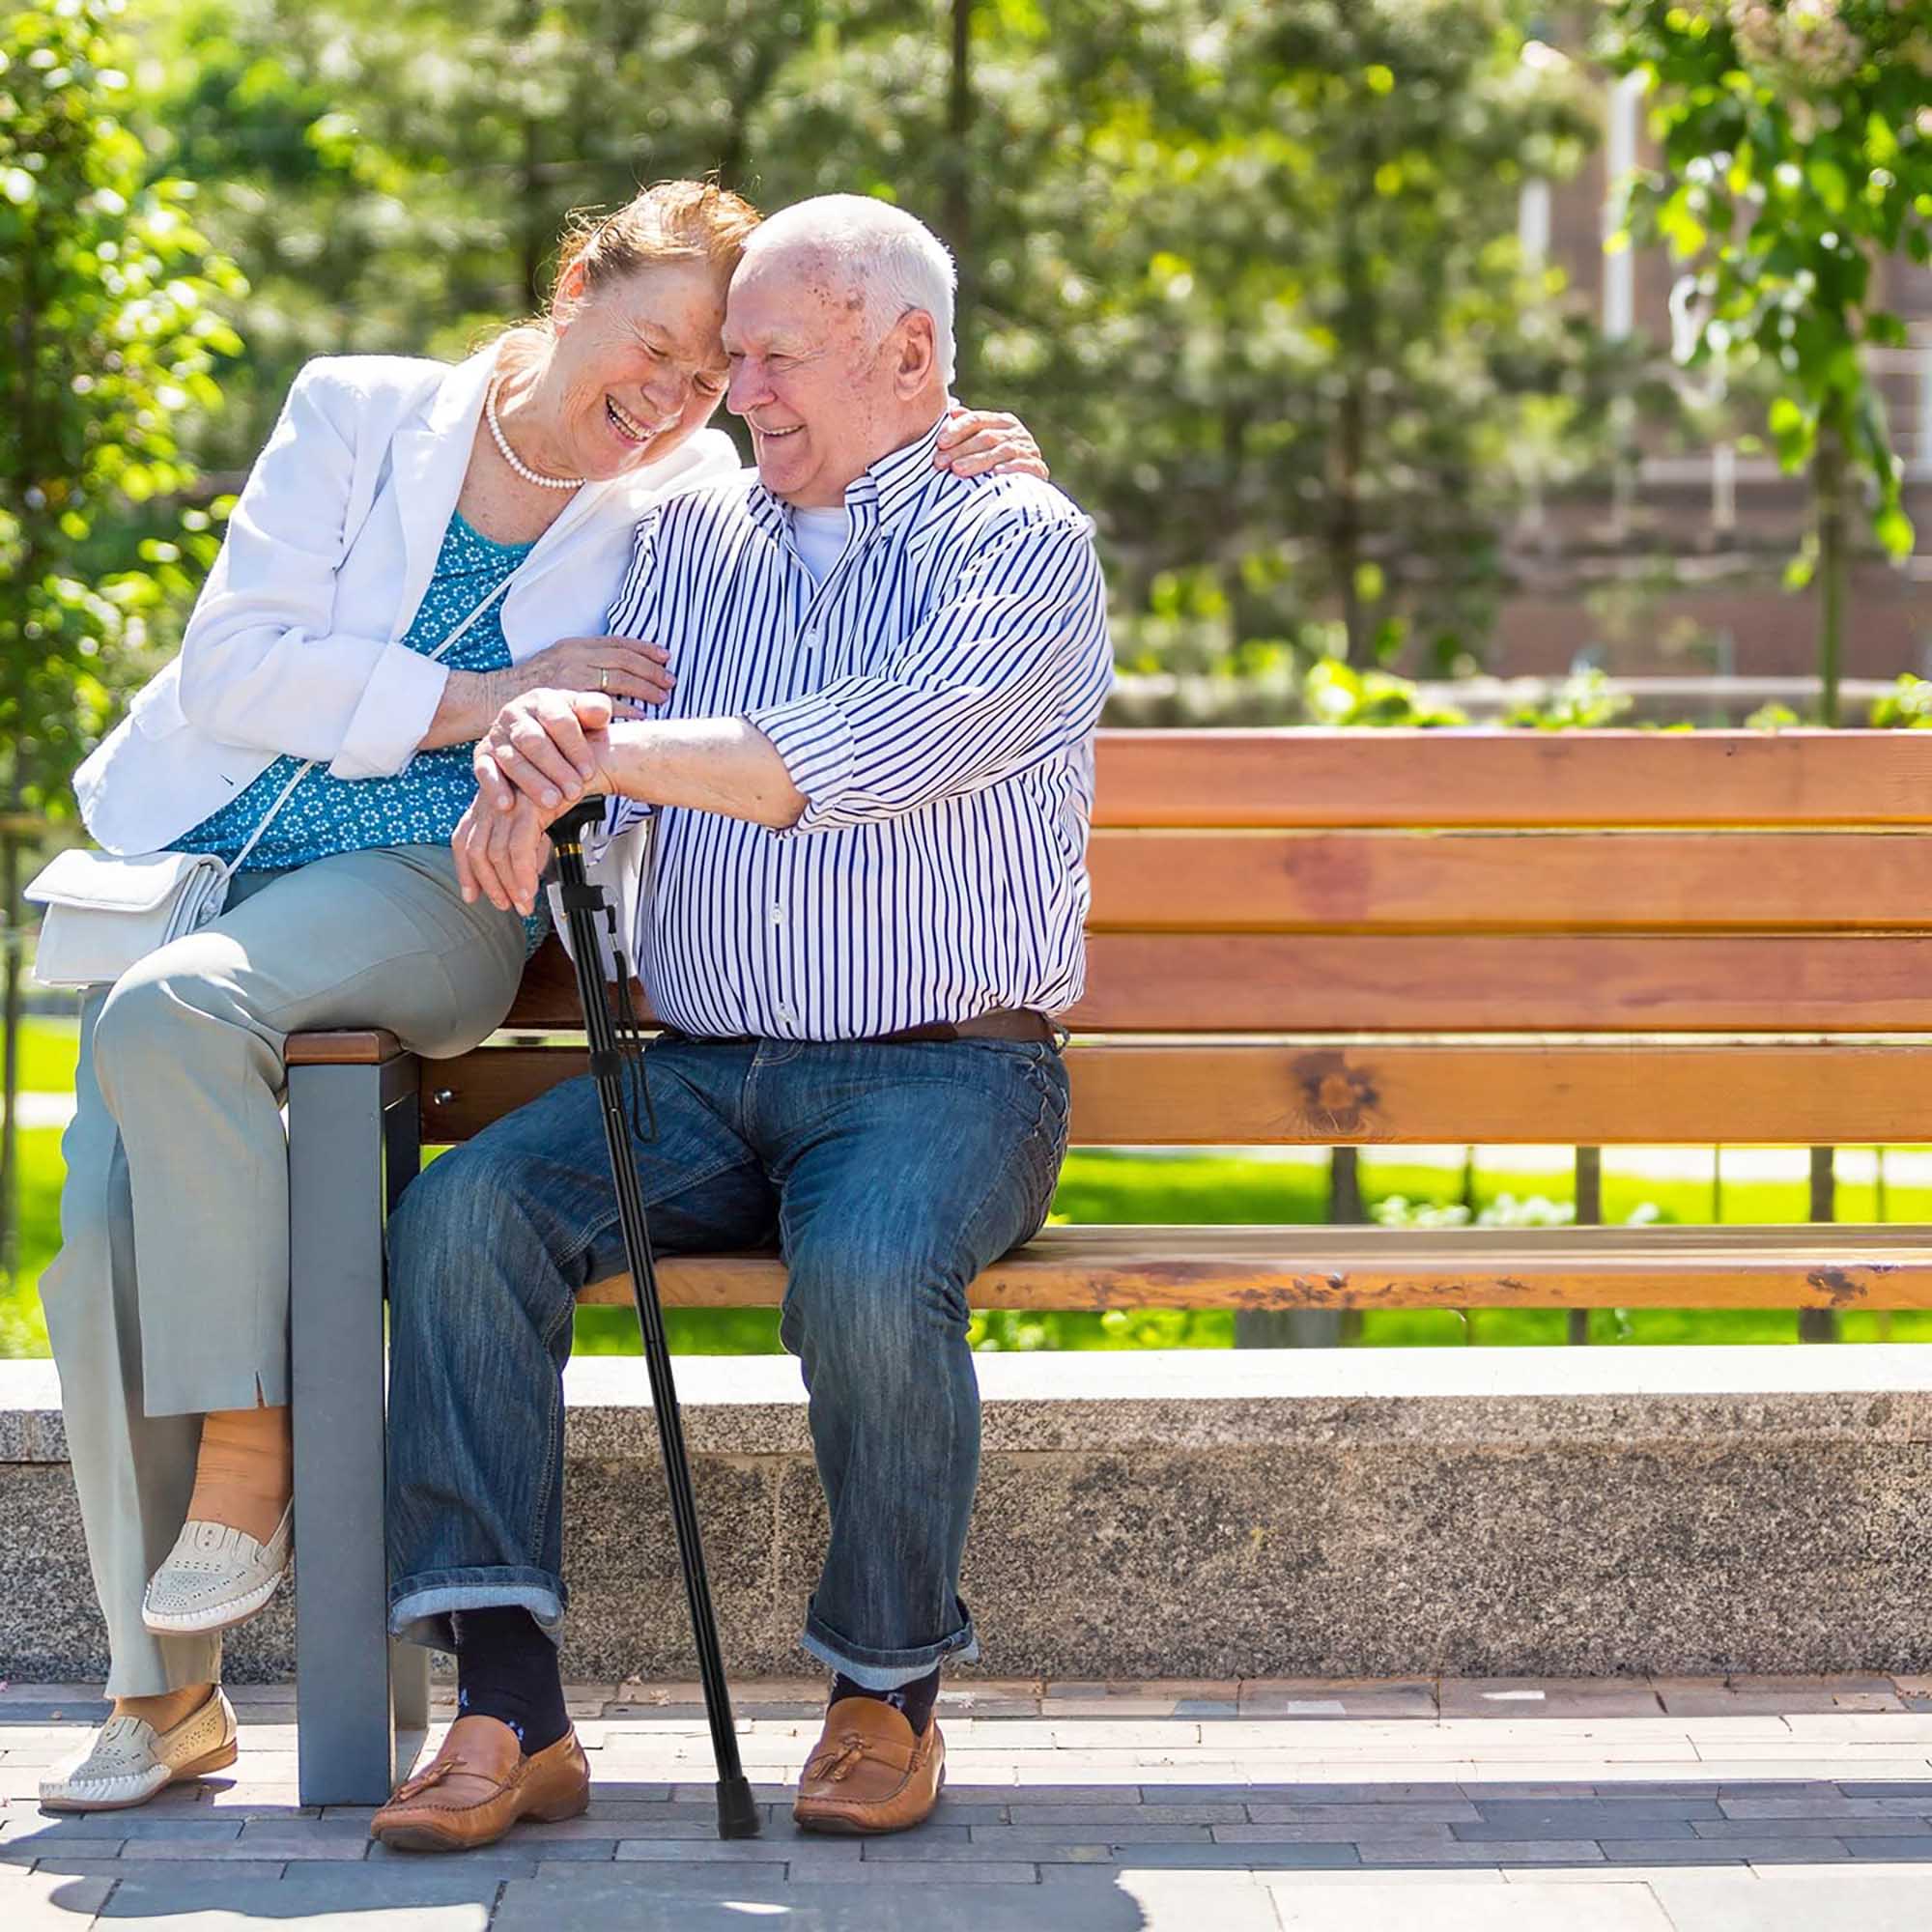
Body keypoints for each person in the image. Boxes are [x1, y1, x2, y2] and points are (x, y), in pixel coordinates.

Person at [38, 178, 1045, 1814]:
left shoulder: (799, 509)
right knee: (195, 1238)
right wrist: (503, 709)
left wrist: (962, 444)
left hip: (767, 1011)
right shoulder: (474, 451)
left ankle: (877, 1693)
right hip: (314, 913)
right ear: (576, 286)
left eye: (733, 370)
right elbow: (245, 669)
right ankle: (303, 1701)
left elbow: (862, 678)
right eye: (686, 353)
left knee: (863, 1271)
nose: (703, 399)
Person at [370, 193, 1112, 1855]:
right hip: (701, 1071)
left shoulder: (1017, 542)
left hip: (945, 1076)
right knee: (466, 1216)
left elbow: (871, 748)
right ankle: (509, 1709)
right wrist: (533, 757)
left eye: (773, 358)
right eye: (733, 362)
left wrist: (598, 751)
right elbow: (605, 716)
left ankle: (884, 1690)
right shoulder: (696, 529)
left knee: (868, 1273)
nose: (742, 392)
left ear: (909, 356)